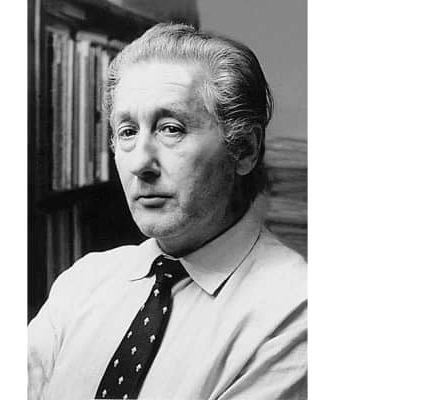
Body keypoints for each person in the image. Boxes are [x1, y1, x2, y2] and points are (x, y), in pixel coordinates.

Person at [28, 23, 307, 400]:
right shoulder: (83, 282)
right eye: (127, 132)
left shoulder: (294, 310)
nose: (141, 163)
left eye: (171, 129)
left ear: (244, 149)